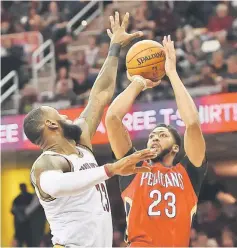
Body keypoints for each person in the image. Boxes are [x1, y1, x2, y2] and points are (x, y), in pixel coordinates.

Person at [23, 12, 155, 247]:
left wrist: (114, 47)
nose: (64, 114)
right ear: (51, 125)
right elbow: (57, 185)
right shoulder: (47, 164)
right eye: (57, 113)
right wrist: (112, 169)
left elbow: (100, 94)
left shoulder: (80, 142)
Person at [105, 35, 208, 247]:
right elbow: (113, 119)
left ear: (176, 147)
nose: (154, 138)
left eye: (162, 135)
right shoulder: (133, 167)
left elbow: (192, 124)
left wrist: (172, 73)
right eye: (152, 135)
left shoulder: (188, 173)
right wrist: (139, 83)